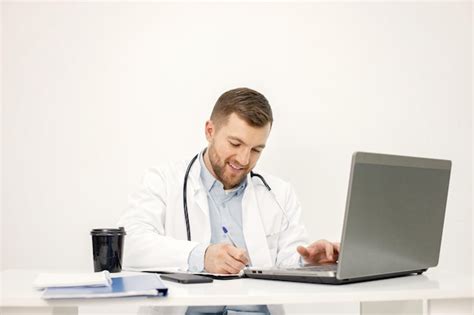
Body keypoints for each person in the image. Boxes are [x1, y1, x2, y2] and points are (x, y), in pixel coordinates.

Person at [117, 87, 339, 314]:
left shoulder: (279, 193)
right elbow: (130, 244)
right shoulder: (163, 181)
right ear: (210, 131)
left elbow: (287, 264)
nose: (244, 159)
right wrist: (200, 256)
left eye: (256, 150)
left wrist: (310, 264)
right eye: (235, 144)